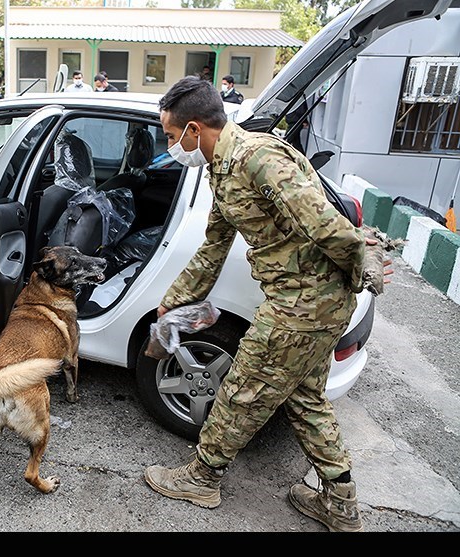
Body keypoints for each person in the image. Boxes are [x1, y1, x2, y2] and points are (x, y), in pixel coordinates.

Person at [143, 76, 390, 532]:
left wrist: (365, 271)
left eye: (171, 136)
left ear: (195, 130)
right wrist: (172, 302)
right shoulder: (223, 169)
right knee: (305, 399)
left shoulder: (257, 159)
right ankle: (341, 505)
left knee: (242, 391)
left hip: (302, 307)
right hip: (304, 304)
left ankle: (202, 478)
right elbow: (213, 247)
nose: (172, 146)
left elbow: (327, 226)